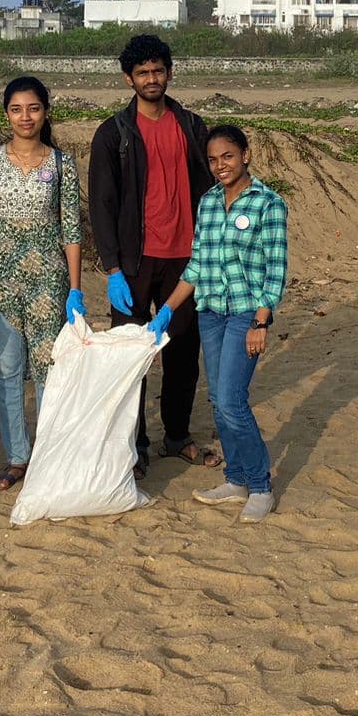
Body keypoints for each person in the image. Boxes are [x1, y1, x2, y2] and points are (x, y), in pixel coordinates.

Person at [88, 33, 217, 475]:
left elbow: (213, 187)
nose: (151, 79)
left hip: (186, 258)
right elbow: (101, 205)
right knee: (131, 356)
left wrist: (211, 248)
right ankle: (135, 444)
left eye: (158, 70)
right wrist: (112, 269)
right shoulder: (113, 134)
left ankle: (176, 435)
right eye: (142, 72)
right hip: (134, 262)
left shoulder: (192, 127)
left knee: (183, 350)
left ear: (169, 72)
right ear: (129, 78)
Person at [147, 126, 288, 523]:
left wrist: (261, 321)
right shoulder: (208, 203)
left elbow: (275, 271)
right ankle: (237, 478)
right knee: (217, 400)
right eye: (212, 159)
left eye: (227, 156)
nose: (220, 165)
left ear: (245, 154)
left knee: (231, 400)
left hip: (246, 312)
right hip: (210, 312)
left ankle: (260, 485)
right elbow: (196, 266)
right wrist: (168, 310)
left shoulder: (268, 203)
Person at [0, 76, 85, 492]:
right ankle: (17, 458)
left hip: (49, 278)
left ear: (46, 111)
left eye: (33, 108)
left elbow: (71, 229)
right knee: (8, 369)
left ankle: (48, 453)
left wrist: (76, 288)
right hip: (2, 280)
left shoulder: (61, 164)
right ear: (6, 113)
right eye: (16, 109)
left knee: (48, 369)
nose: (25, 117)